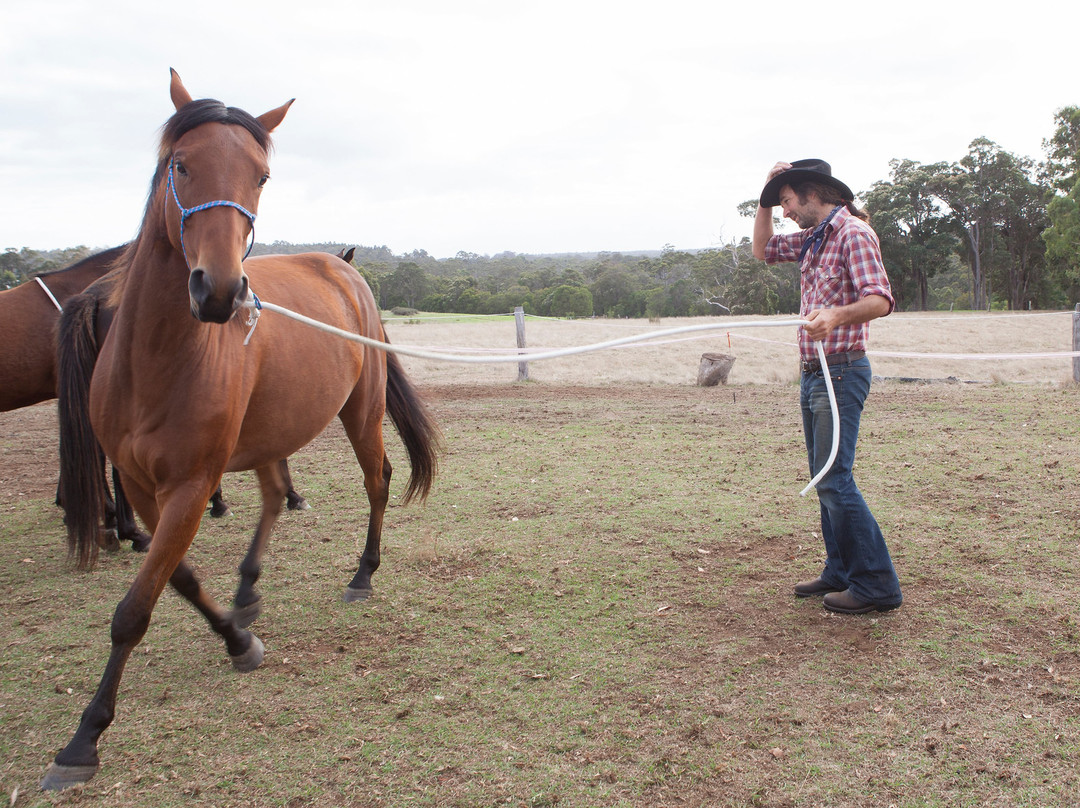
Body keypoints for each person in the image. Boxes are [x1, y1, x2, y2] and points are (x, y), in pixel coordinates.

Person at [752, 159, 902, 615]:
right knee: (824, 479)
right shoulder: (816, 236)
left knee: (835, 480)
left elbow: (880, 299)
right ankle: (840, 570)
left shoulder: (852, 233)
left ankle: (876, 585)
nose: (786, 212)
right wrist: (765, 194)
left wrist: (836, 315)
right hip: (815, 371)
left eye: (787, 201)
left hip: (840, 370)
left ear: (813, 192)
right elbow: (762, 250)